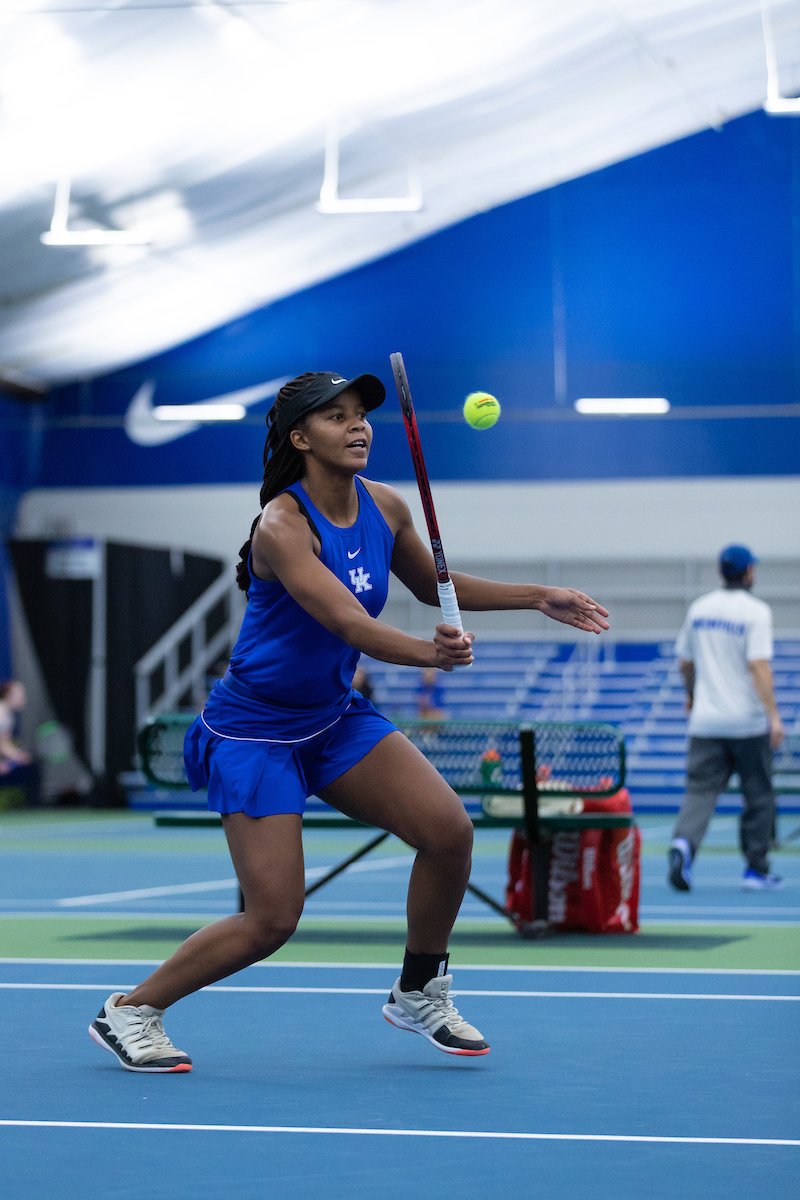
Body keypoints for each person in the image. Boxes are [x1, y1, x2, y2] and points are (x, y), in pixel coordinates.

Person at [89, 371, 609, 1074]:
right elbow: (343, 619)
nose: (358, 426)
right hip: (255, 734)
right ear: (301, 437)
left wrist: (536, 595)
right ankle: (132, 1010)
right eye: (336, 417)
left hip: (332, 719)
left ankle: (420, 987)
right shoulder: (281, 524)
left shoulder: (385, 506)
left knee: (448, 832)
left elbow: (433, 587)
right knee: (271, 920)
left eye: (361, 414)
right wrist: (431, 655)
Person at [668, 545, 784, 893]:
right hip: (747, 722)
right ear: (748, 572)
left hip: (705, 721)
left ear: (721, 572)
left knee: (700, 792)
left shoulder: (699, 608)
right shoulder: (756, 611)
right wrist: (773, 716)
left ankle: (684, 844)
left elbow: (685, 663)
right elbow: (758, 665)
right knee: (759, 796)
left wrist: (691, 696)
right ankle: (755, 870)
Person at [0, 681, 31, 776]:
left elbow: (3, 742)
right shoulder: (2, 715)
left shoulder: (7, 714)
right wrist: (18, 755)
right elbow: (2, 744)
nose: (23, 698)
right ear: (9, 695)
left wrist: (16, 755)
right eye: (20, 695)